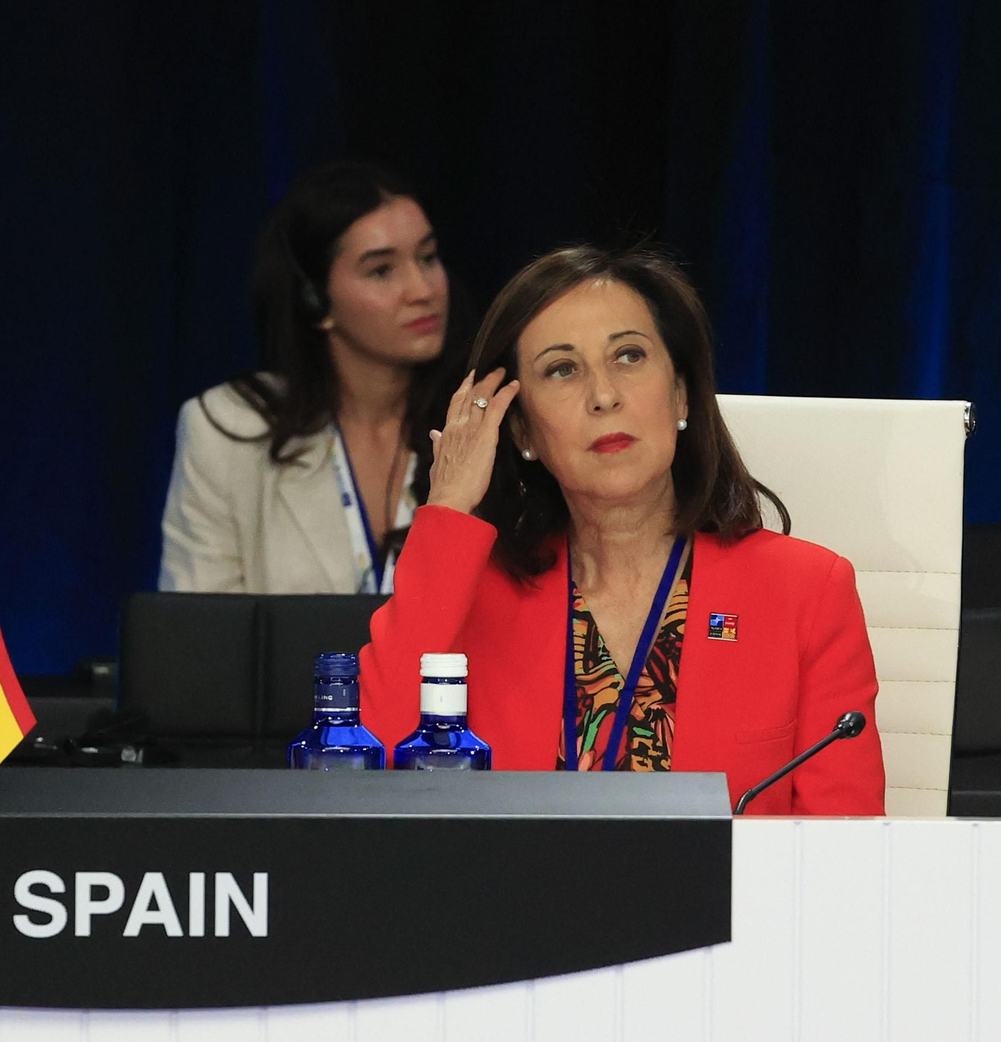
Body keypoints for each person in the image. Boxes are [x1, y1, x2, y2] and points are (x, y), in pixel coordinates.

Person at [359, 245, 886, 815]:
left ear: (681, 394)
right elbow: (373, 774)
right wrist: (450, 511)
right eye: (562, 370)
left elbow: (845, 853)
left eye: (629, 356)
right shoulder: (472, 597)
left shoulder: (806, 591)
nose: (604, 395)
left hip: (728, 904)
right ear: (521, 432)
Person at [158, 162, 472, 593]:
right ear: (315, 300)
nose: (422, 290)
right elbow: (197, 641)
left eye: (428, 257)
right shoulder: (228, 430)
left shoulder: (481, 422)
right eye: (382, 270)